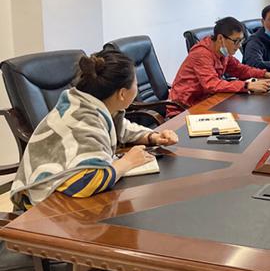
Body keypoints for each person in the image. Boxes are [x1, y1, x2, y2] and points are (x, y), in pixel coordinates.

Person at [10, 50, 179, 210]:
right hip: (44, 204)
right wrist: (126, 162)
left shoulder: (89, 104)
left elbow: (121, 128)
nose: (137, 86)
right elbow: (84, 182)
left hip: (61, 195)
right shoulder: (85, 121)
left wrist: (152, 137)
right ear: (122, 94)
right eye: (135, 83)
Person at [168, 17, 270, 116]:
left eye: (241, 41)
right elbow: (212, 84)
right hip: (184, 108)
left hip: (206, 101)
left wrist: (265, 74)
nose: (239, 46)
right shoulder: (201, 54)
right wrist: (247, 85)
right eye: (236, 41)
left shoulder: (222, 52)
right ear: (221, 38)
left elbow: (240, 69)